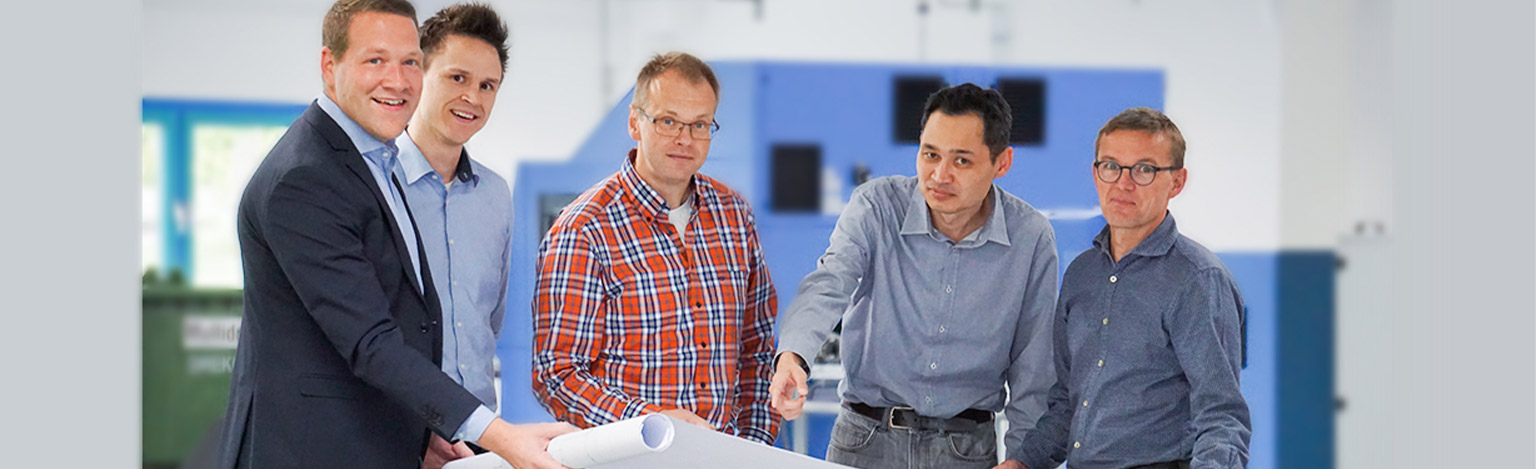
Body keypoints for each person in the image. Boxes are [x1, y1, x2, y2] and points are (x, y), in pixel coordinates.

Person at [217, 1, 573, 467]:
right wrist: (503, 437)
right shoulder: (305, 178)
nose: (398, 80)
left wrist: (425, 430)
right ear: (330, 66)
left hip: (394, 438)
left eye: (409, 63)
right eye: (375, 60)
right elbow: (372, 342)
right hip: (309, 449)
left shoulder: (370, 162)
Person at [770, 83, 1059, 469]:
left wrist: (1024, 459)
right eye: (930, 154)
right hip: (864, 442)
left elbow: (1034, 363)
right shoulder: (876, 207)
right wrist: (793, 355)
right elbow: (829, 282)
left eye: (961, 161)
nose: (939, 175)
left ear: (1001, 163)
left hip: (965, 452)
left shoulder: (1030, 236)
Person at [531, 52, 780, 445]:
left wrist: (753, 444)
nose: (685, 139)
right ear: (635, 122)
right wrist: (652, 423)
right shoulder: (584, 229)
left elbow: (757, 348)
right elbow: (557, 374)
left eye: (699, 125)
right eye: (668, 121)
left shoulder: (734, 216)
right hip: (629, 458)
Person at [1012, 107, 1251, 469]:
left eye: (1144, 169)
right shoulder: (1081, 274)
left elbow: (1222, 418)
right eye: (1111, 166)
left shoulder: (1198, 280)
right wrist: (1024, 462)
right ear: (1096, 174)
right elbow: (1066, 402)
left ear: (1177, 181)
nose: (1123, 184)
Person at [391, 3, 516, 467]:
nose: (473, 98)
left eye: (488, 86)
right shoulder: (377, 186)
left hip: (477, 439)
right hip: (395, 436)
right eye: (457, 78)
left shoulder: (496, 195)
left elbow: (490, 320)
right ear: (419, 73)